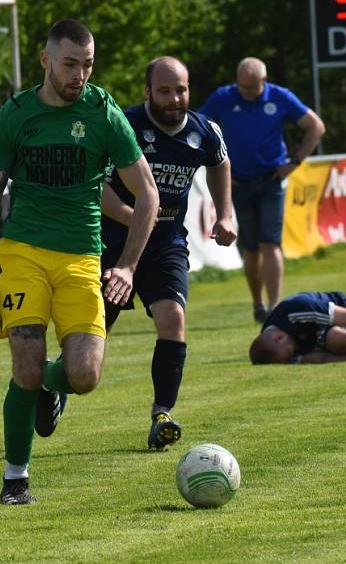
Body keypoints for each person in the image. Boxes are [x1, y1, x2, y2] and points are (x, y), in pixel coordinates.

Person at [0, 19, 159, 505]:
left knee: (84, 376)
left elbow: (148, 195)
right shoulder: (15, 114)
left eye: (88, 64)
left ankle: (52, 389)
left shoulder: (103, 113)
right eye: (71, 63)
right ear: (46, 60)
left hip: (81, 258)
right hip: (24, 253)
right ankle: (15, 477)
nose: (80, 74)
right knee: (26, 368)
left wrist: (128, 266)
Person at [101, 56, 236, 450]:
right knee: (92, 337)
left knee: (173, 317)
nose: (175, 98)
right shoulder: (123, 127)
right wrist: (135, 217)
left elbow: (220, 162)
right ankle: (56, 387)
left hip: (166, 244)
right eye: (165, 90)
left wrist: (224, 213)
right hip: (112, 241)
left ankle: (163, 413)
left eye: (181, 89)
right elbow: (98, 187)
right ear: (147, 92)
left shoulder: (204, 130)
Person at [199, 57, 325, 323]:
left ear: (264, 81)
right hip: (239, 182)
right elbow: (199, 129)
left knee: (271, 243)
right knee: (251, 249)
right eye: (242, 87)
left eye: (252, 87)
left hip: (271, 180)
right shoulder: (222, 98)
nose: (246, 92)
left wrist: (296, 160)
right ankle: (257, 303)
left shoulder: (281, 97)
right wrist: (217, 166)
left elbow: (316, 126)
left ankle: (275, 305)